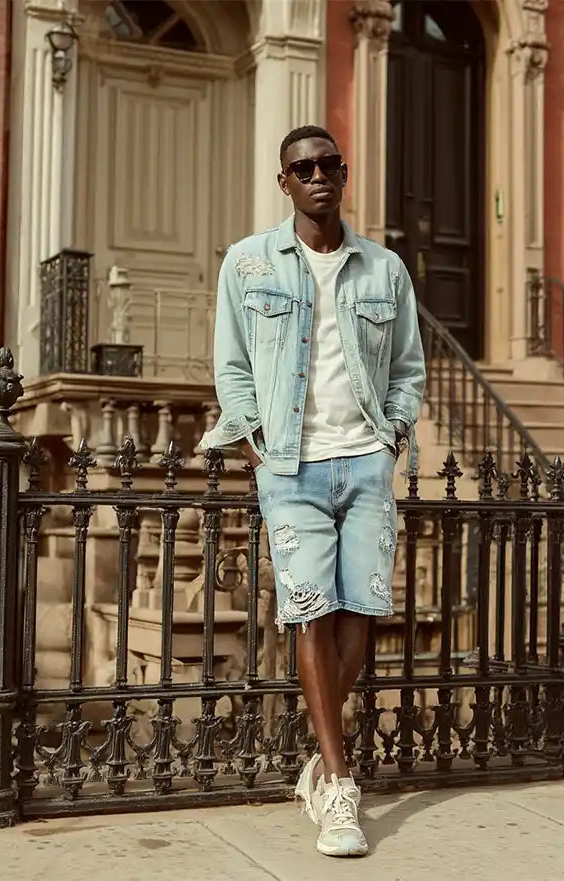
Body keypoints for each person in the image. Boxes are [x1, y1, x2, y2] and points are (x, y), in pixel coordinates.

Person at [200, 125, 426, 857]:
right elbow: (231, 363)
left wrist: (392, 431)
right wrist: (255, 438)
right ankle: (337, 785)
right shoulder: (248, 261)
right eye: (304, 167)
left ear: (344, 174)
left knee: (358, 620)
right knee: (309, 611)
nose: (318, 175)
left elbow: (408, 367)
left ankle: (316, 762)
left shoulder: (384, 270)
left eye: (329, 164)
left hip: (364, 459)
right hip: (291, 465)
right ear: (285, 183)